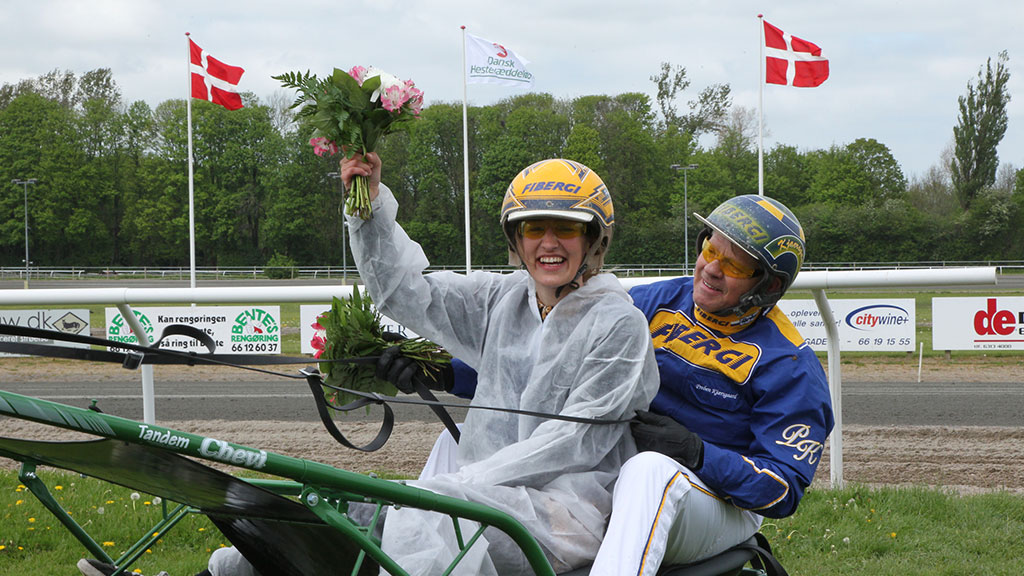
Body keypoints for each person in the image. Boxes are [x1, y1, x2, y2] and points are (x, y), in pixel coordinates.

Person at [343, 154, 659, 575]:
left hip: (567, 514)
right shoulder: (499, 300)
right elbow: (404, 291)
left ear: (593, 240)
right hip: (478, 496)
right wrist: (369, 207)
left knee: (417, 518)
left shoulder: (620, 324)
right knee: (355, 512)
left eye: (566, 228)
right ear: (516, 239)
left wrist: (452, 488)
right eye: (534, 228)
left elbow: (572, 441)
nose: (549, 243)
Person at [585, 194, 835, 575]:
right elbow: (570, 357)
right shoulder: (654, 301)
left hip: (721, 504)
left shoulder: (792, 367)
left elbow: (782, 489)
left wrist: (698, 453)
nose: (712, 268)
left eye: (734, 264)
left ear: (768, 285)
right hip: (626, 471)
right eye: (710, 249)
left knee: (650, 471)